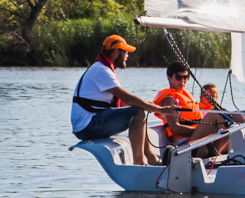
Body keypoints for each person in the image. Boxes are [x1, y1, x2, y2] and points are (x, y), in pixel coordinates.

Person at [71, 34, 177, 165]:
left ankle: (152, 159)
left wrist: (146, 105)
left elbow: (122, 102)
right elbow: (128, 98)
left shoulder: (101, 68)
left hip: (88, 123)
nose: (128, 55)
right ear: (116, 52)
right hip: (87, 127)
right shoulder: (102, 70)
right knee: (138, 113)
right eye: (125, 52)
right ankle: (139, 163)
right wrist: (160, 109)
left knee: (139, 111)